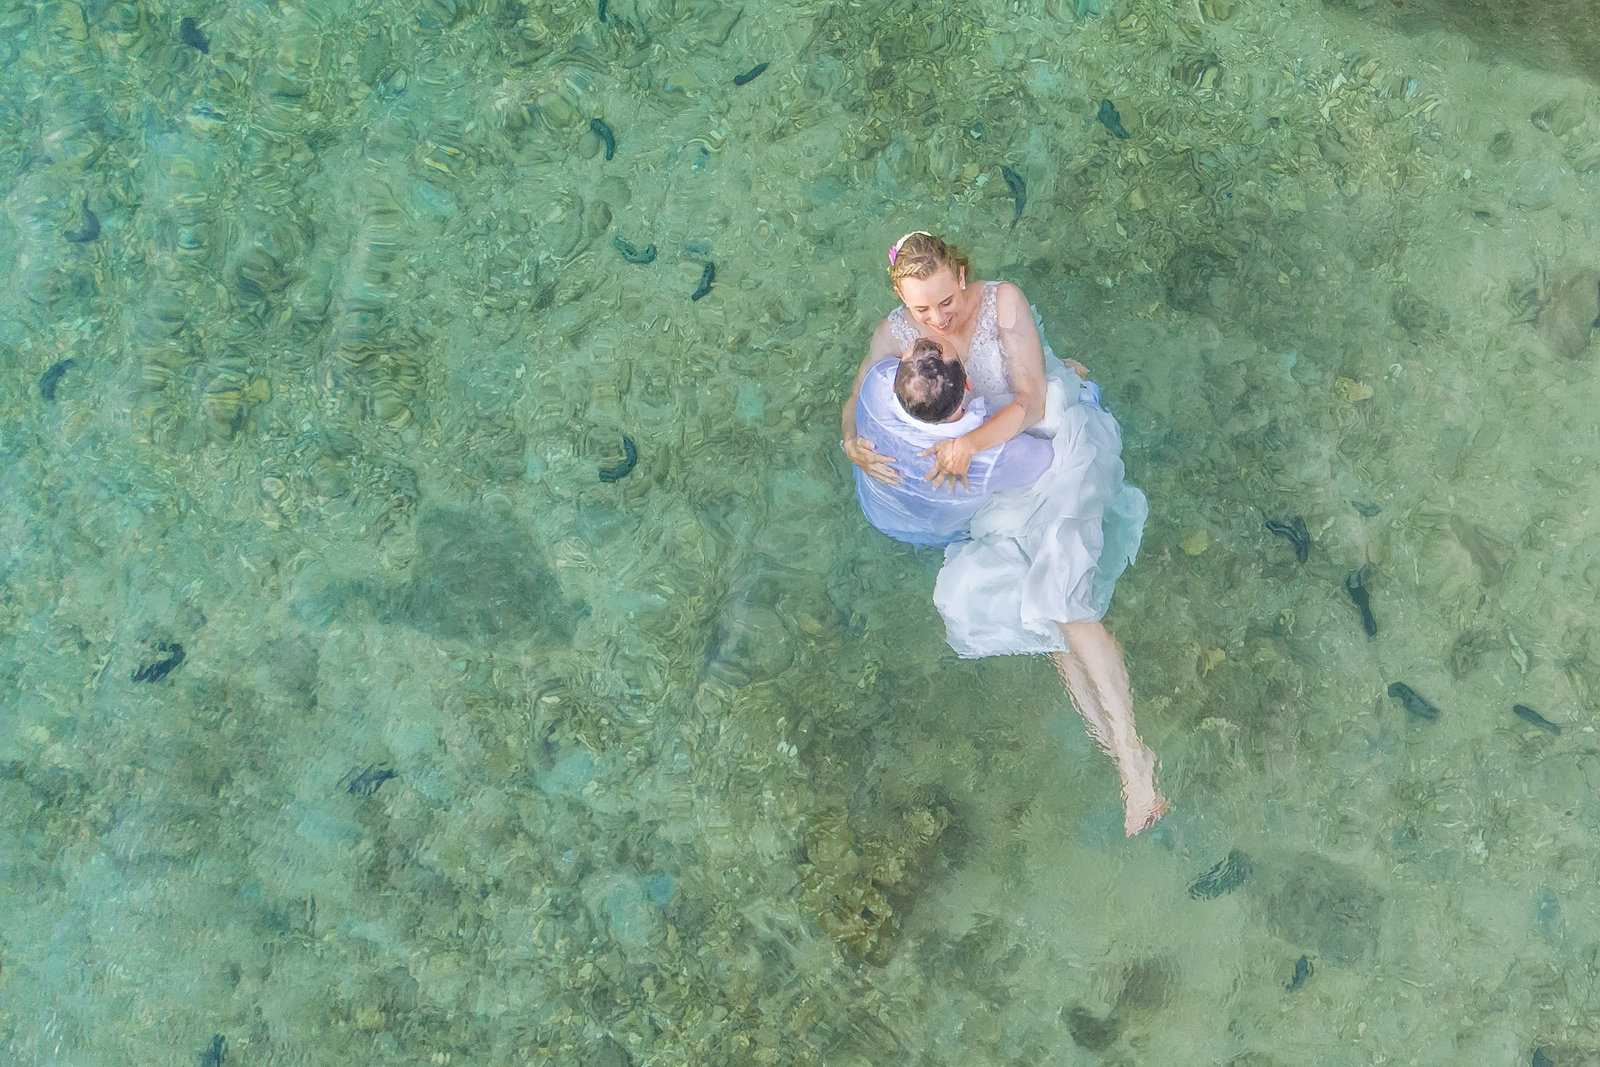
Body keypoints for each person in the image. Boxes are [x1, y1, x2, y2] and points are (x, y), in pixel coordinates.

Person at [841, 231, 1166, 836]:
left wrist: (968, 442)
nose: (938, 318)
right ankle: (1124, 760)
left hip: (1047, 449)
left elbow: (1032, 400)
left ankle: (1133, 756)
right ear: (902, 304)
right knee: (1044, 612)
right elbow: (860, 391)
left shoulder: (1003, 302)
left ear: (961, 274)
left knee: (1063, 602)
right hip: (994, 487)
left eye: (945, 299)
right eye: (921, 310)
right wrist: (851, 442)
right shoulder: (896, 335)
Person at [853, 337, 1054, 548]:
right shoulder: (997, 455)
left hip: (876, 512)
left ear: (894, 385)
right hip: (945, 538)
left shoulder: (875, 382)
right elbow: (1050, 458)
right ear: (968, 384)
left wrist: (849, 442)